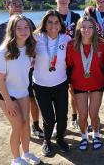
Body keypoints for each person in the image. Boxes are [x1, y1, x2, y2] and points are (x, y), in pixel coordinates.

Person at [0, 0, 44, 139]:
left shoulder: (28, 23)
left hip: (28, 71)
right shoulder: (2, 27)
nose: (17, 7)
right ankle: (17, 130)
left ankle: (34, 125)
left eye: (20, 5)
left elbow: (33, 44)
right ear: (7, 6)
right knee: (13, 106)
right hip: (10, 75)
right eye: (13, 4)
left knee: (32, 99)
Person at [0, 14, 40, 165]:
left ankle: (26, 154)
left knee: (26, 122)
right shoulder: (3, 52)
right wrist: (8, 102)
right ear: (12, 30)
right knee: (17, 124)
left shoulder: (30, 47)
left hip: (22, 90)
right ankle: (16, 159)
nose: (23, 30)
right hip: (4, 92)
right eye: (19, 28)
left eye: (26, 27)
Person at [66, 16, 104, 150]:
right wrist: (70, 85)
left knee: (93, 113)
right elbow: (68, 66)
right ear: (79, 29)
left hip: (97, 84)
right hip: (79, 84)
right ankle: (84, 136)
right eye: (83, 27)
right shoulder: (72, 45)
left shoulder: (101, 44)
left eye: (90, 27)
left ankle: (96, 135)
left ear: (95, 29)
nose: (87, 30)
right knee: (83, 114)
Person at [32, 10, 71, 156]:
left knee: (62, 116)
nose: (53, 25)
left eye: (56, 22)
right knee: (49, 119)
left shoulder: (66, 39)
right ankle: (47, 141)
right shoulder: (36, 38)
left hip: (60, 84)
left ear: (60, 25)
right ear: (44, 24)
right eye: (50, 22)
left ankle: (60, 139)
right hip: (41, 86)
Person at [54, 0, 81, 130]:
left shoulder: (76, 17)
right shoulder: (51, 15)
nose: (63, 0)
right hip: (55, 59)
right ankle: (58, 120)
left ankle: (74, 117)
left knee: (73, 90)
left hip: (72, 58)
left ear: (70, 0)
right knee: (57, 92)